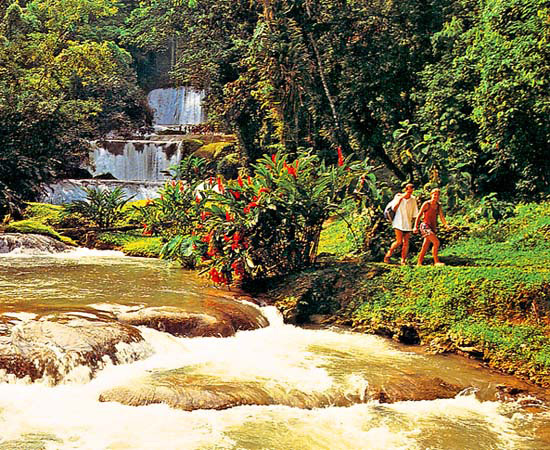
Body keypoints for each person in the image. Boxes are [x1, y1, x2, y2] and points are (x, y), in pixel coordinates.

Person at [384, 183, 419, 265]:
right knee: (399, 241)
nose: (410, 193)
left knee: (406, 242)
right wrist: (401, 199)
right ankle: (388, 254)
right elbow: (394, 209)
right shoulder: (398, 197)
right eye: (409, 191)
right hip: (398, 222)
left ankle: (403, 260)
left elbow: (415, 212)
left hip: (408, 223)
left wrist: (415, 225)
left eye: (411, 191)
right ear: (406, 190)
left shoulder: (413, 199)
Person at [414, 188, 449, 266]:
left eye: (437, 195)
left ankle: (419, 262)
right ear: (431, 195)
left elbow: (441, 216)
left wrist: (446, 225)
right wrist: (415, 227)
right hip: (425, 226)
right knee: (436, 242)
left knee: (425, 245)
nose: (436, 196)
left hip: (432, 226)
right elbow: (419, 215)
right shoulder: (427, 204)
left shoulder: (438, 205)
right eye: (434, 194)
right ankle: (436, 261)